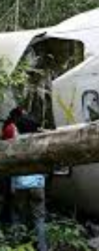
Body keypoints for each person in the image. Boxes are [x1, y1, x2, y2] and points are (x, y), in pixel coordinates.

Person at [3, 107, 47, 251]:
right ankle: (42, 247)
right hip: (38, 185)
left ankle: (17, 245)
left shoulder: (15, 144)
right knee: (39, 219)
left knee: (17, 217)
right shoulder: (41, 143)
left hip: (20, 185)